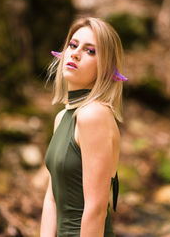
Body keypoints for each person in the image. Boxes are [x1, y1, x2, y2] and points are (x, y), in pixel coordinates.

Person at [40, 17, 127, 237]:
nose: (76, 53)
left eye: (90, 51)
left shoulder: (94, 115)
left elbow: (96, 210)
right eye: (73, 44)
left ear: (105, 69)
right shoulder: (62, 117)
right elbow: (52, 197)